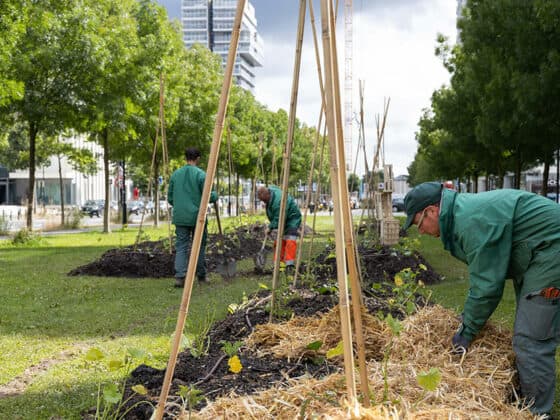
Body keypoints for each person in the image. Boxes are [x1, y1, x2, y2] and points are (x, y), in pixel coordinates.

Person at [403, 181, 560, 418]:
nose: (421, 231)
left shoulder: (470, 221)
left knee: (531, 338)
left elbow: (486, 287)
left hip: (550, 248)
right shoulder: (462, 214)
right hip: (536, 250)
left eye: (419, 223)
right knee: (535, 324)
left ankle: (537, 414)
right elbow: (484, 275)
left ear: (432, 211)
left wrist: (466, 332)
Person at [168, 147, 218, 287]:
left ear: (185, 158)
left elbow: (170, 198)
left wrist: (180, 205)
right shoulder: (201, 175)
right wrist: (215, 196)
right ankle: (201, 275)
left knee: (181, 246)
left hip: (180, 216)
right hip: (198, 216)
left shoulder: (176, 174)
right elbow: (209, 195)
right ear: (198, 158)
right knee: (199, 246)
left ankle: (180, 277)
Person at [257, 185, 302, 273]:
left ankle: (289, 266)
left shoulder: (279, 202)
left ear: (267, 195)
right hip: (282, 219)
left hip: (292, 218)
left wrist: (270, 227)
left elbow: (279, 218)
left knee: (290, 241)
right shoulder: (270, 191)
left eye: (264, 200)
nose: (264, 202)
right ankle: (278, 265)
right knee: (279, 242)